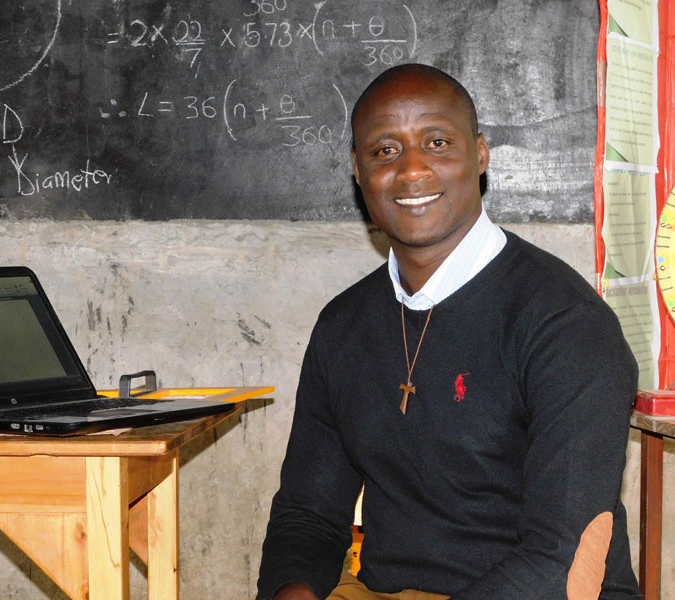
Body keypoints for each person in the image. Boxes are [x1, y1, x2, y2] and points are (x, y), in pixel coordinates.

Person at [257, 63, 640, 600]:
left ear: (479, 155)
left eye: (437, 142)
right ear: (357, 170)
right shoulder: (343, 326)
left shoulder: (565, 325)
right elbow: (308, 516)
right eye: (385, 151)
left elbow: (562, 562)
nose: (412, 171)